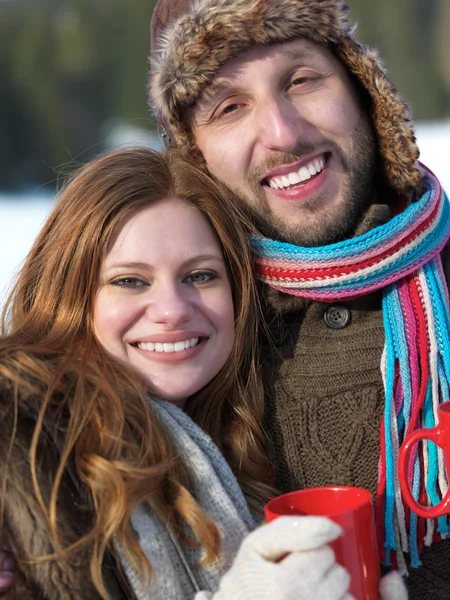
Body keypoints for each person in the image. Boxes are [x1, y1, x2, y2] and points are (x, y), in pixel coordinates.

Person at [147, 0, 450, 598]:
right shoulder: (173, 342)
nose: (284, 133)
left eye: (302, 79)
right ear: (194, 154)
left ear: (364, 90)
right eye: (230, 106)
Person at [0, 145, 383, 599]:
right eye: (130, 281)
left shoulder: (235, 449)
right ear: (70, 295)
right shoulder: (22, 438)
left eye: (200, 276)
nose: (172, 311)